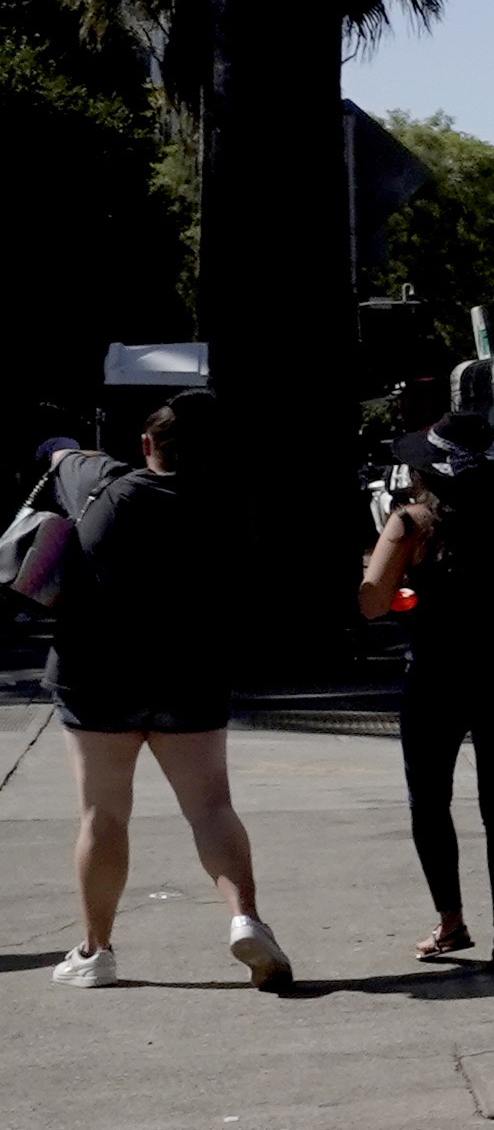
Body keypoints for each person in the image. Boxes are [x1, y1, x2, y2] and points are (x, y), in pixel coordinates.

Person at [38, 393, 289, 991]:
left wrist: (63, 449)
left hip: (95, 677)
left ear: (147, 445)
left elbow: (59, 457)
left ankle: (96, 952)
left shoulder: (105, 487)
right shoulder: (229, 504)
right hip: (190, 676)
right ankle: (245, 919)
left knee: (103, 813)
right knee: (210, 808)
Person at [355, 364, 494, 966]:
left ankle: (451, 924)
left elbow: (373, 602)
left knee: (430, 801)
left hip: (436, 679)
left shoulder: (410, 523)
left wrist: (402, 590)